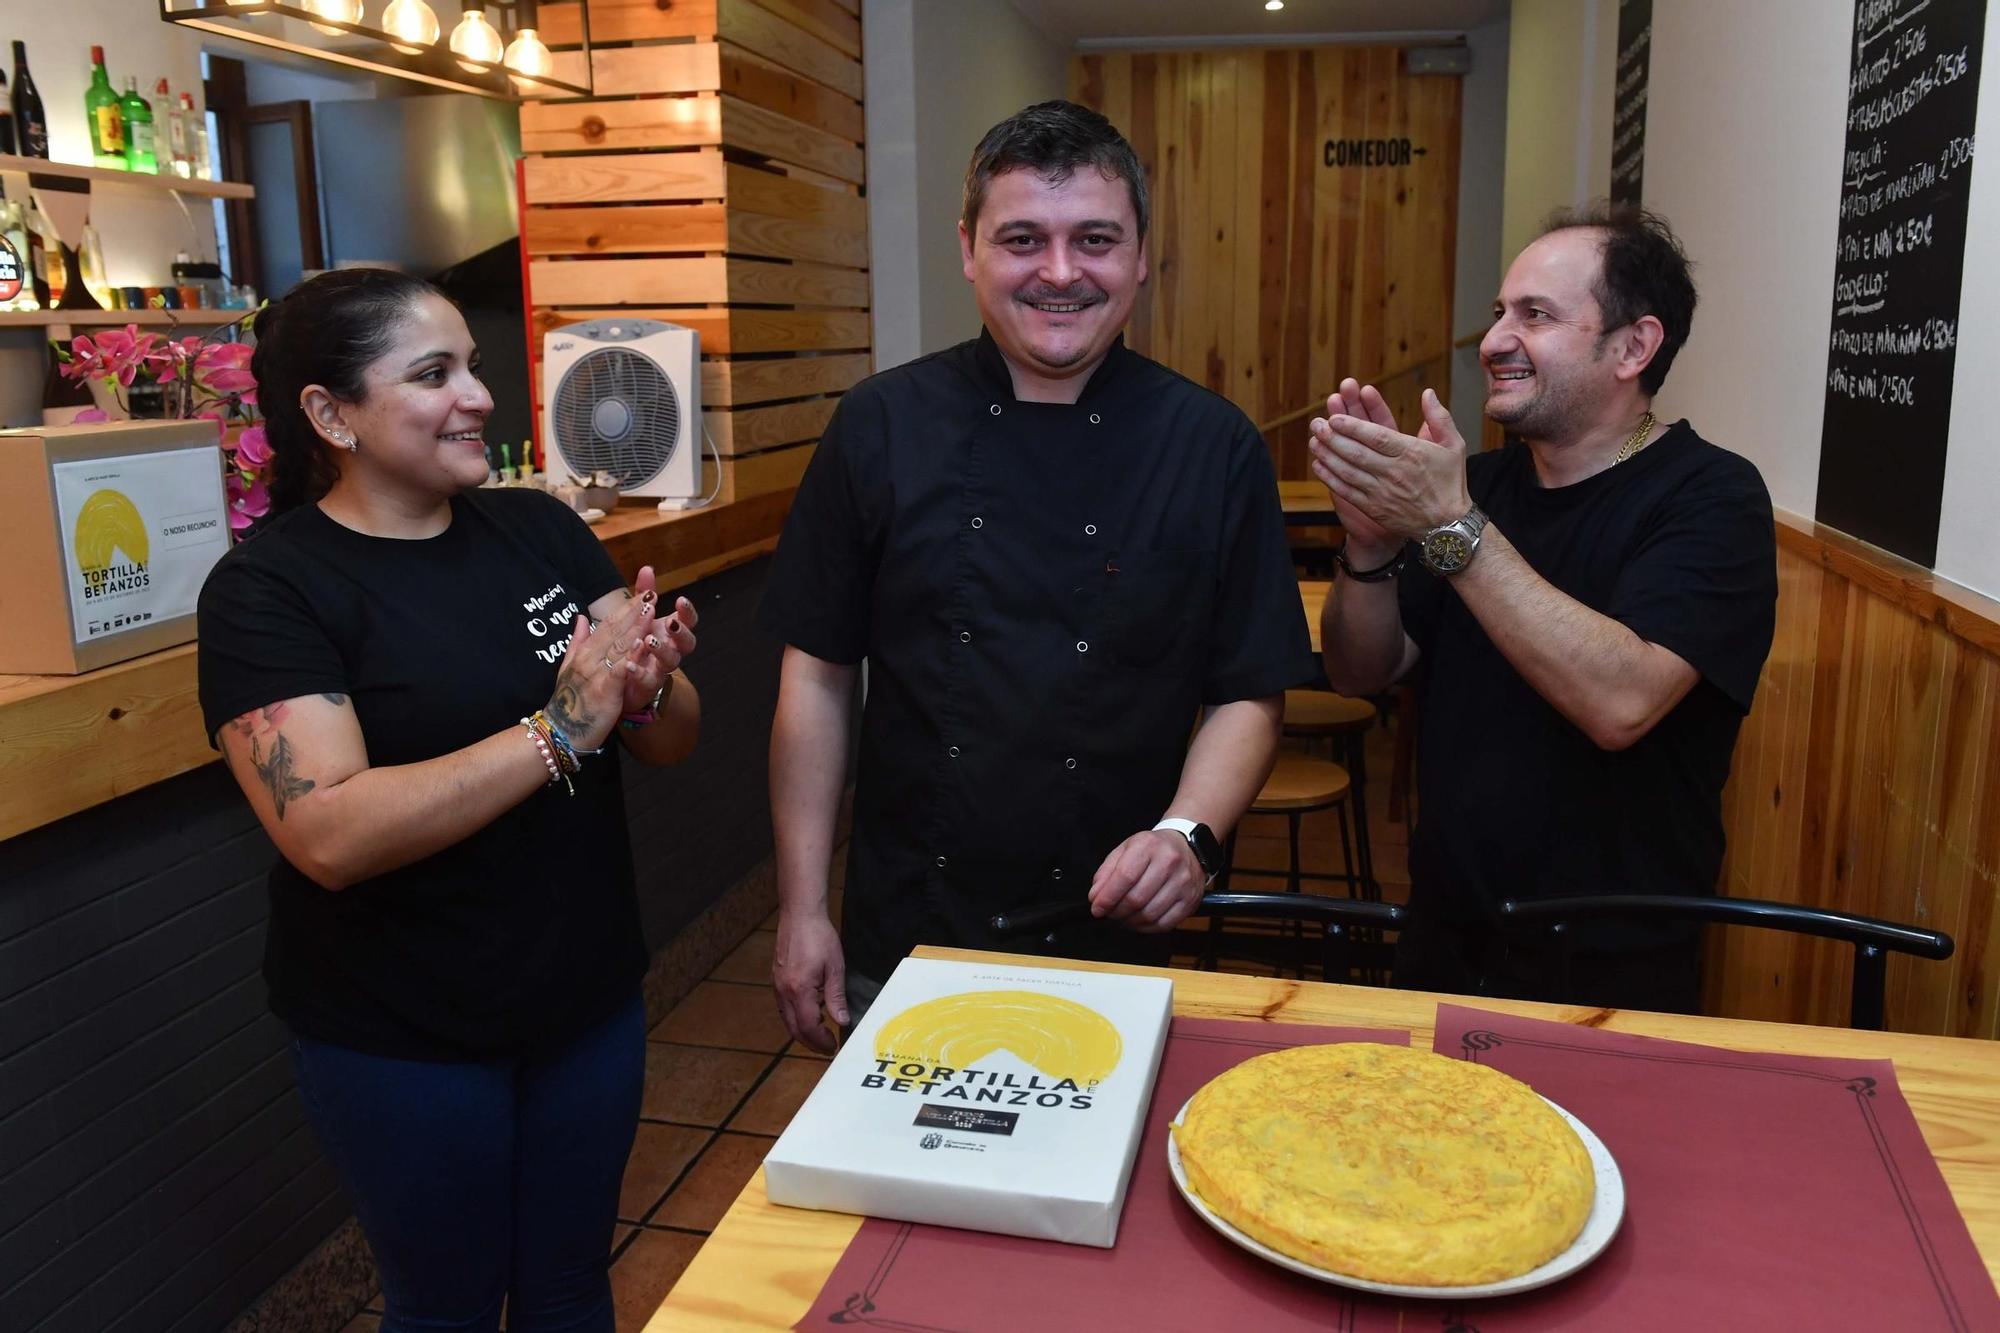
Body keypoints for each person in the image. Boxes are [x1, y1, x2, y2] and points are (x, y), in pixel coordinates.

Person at [196, 268, 702, 1331]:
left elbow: (672, 737)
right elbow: (327, 831)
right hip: (401, 1036)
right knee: (448, 1305)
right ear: (331, 415)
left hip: (584, 1002)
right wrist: (564, 725)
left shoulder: (539, 531)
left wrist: (645, 691)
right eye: (433, 374)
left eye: (471, 365)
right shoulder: (271, 588)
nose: (478, 394)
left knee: (569, 1282)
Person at [761, 100, 1315, 1050]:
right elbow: (815, 677)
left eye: (1095, 239)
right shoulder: (879, 424)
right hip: (909, 925)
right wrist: (801, 903)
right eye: (1024, 239)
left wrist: (1189, 834)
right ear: (969, 248)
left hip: (1115, 930)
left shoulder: (1213, 445)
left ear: (1141, 254)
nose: (1061, 272)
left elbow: (1249, 689)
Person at [1310, 203, 1776, 1013]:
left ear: (1634, 346)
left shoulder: (1711, 496)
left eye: (1536, 315)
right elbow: (1362, 671)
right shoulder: (1483, 489)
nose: (1493, 340)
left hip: (1610, 965)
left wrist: (1449, 525)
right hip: (1444, 939)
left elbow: (1622, 700)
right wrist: (1373, 547)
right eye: (1499, 313)